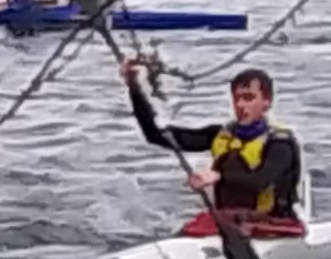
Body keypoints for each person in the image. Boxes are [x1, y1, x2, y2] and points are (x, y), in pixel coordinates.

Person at [120, 60, 304, 231]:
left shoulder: (280, 143)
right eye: (236, 98)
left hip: (275, 224)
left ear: (266, 101)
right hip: (231, 222)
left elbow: (259, 182)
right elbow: (156, 135)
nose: (240, 105)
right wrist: (133, 88)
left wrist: (217, 175)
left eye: (248, 98)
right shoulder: (220, 135)